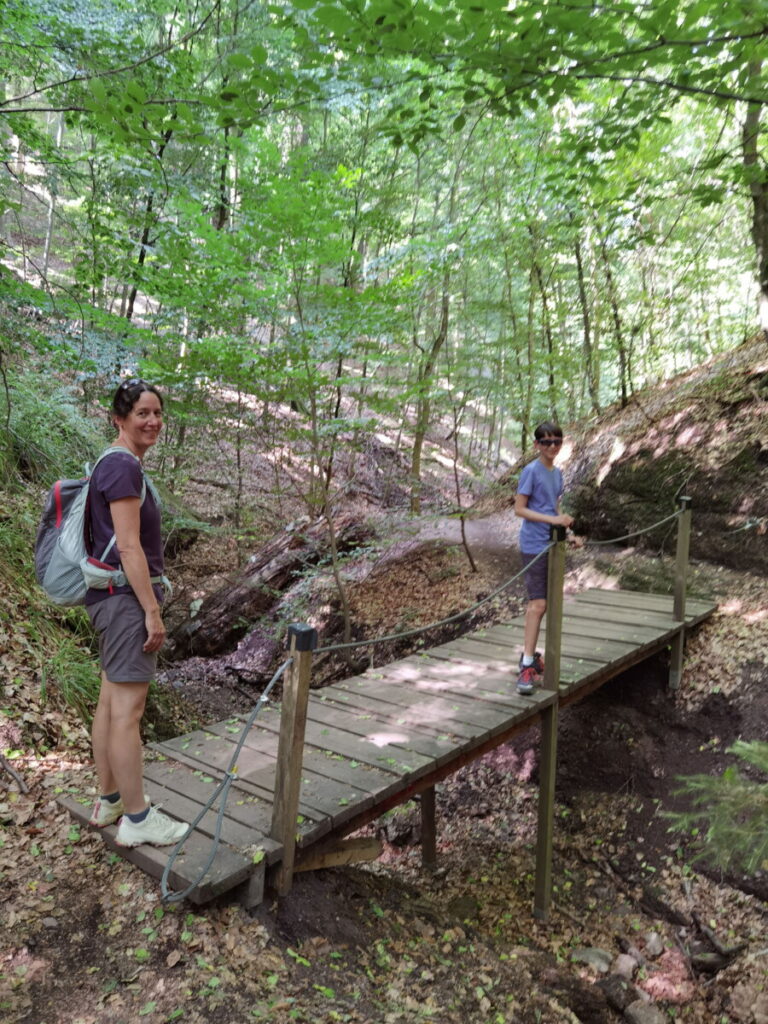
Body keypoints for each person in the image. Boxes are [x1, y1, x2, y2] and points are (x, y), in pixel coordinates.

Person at [86, 379, 188, 847]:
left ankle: (110, 800)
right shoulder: (124, 468)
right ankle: (138, 818)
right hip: (126, 601)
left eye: (156, 413)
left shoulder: (110, 463)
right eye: (141, 413)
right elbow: (128, 547)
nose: (152, 421)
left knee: (110, 704)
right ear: (119, 419)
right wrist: (152, 610)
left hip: (108, 598)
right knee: (128, 711)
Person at [513, 422, 574, 696]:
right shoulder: (531, 471)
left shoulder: (558, 473)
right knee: (537, 605)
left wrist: (566, 530)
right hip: (534, 544)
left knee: (548, 604)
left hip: (553, 544)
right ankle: (526, 664)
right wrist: (553, 520)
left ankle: (534, 657)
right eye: (547, 442)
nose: (552, 447)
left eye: (557, 442)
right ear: (537, 445)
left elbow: (554, 506)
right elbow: (519, 509)